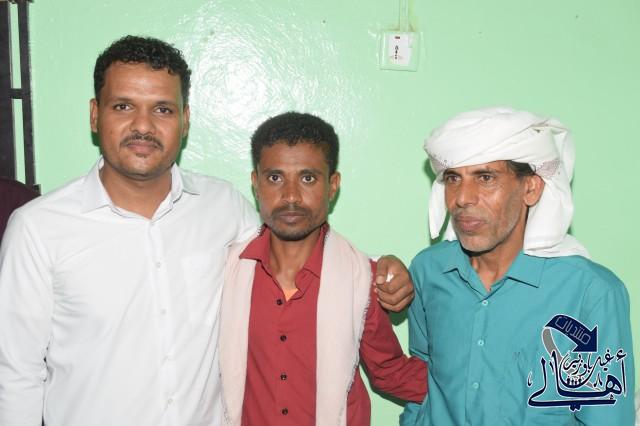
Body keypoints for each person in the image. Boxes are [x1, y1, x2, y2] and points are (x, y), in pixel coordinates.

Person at [0, 36, 414, 426]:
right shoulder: (39, 229)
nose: (143, 126)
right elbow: (17, 375)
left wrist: (381, 268)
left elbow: (294, 247)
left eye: (162, 109)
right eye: (123, 106)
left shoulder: (222, 206)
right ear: (95, 114)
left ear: (185, 121)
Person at [401, 107, 635, 425]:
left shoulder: (590, 292)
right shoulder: (428, 271)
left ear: (531, 188)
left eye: (485, 178)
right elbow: (422, 378)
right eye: (453, 178)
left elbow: (605, 416)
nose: (463, 197)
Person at [219, 112, 427, 425]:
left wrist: (480, 386)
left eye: (308, 178)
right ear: (256, 184)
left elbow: (390, 372)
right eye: (275, 178)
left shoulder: (362, 280)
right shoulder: (225, 272)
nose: (291, 196)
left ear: (332, 186)